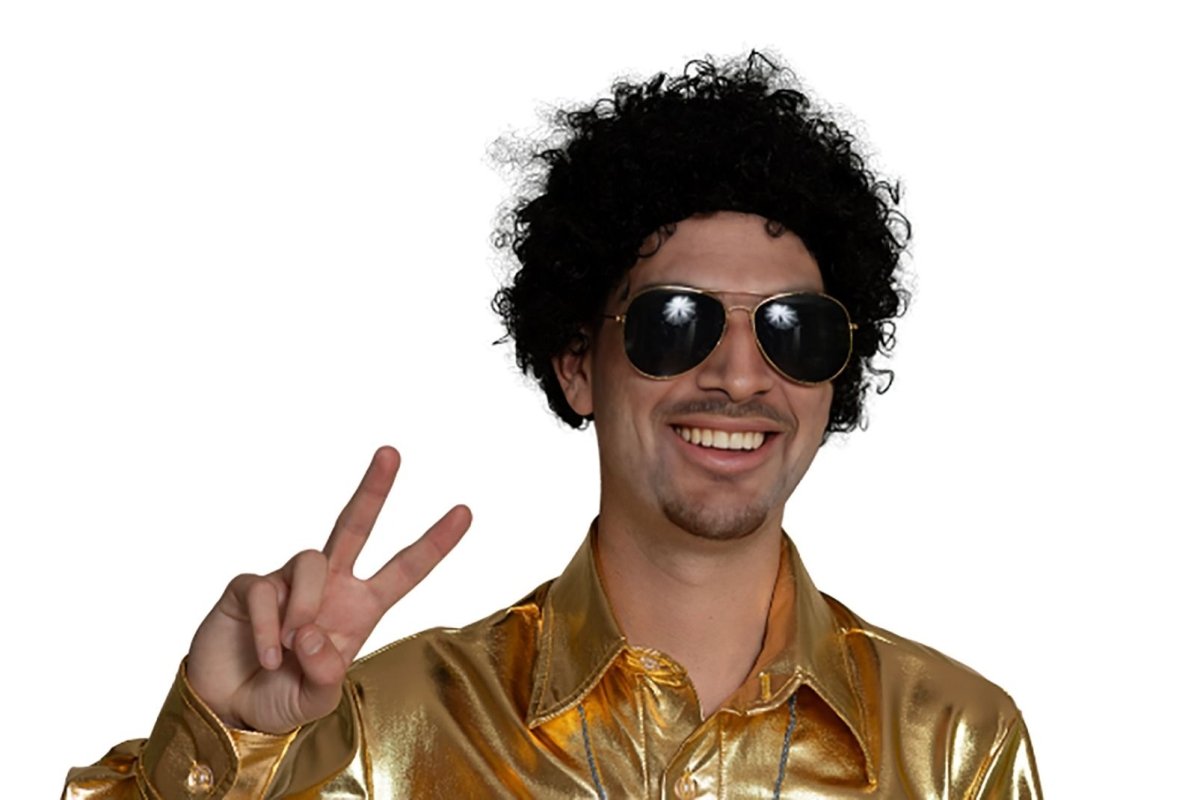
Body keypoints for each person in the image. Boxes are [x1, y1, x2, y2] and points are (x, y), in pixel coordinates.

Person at [64, 54, 1041, 799]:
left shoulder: (956, 746)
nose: (741, 374)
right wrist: (224, 739)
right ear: (578, 362)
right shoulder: (378, 733)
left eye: (794, 330)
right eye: (674, 322)